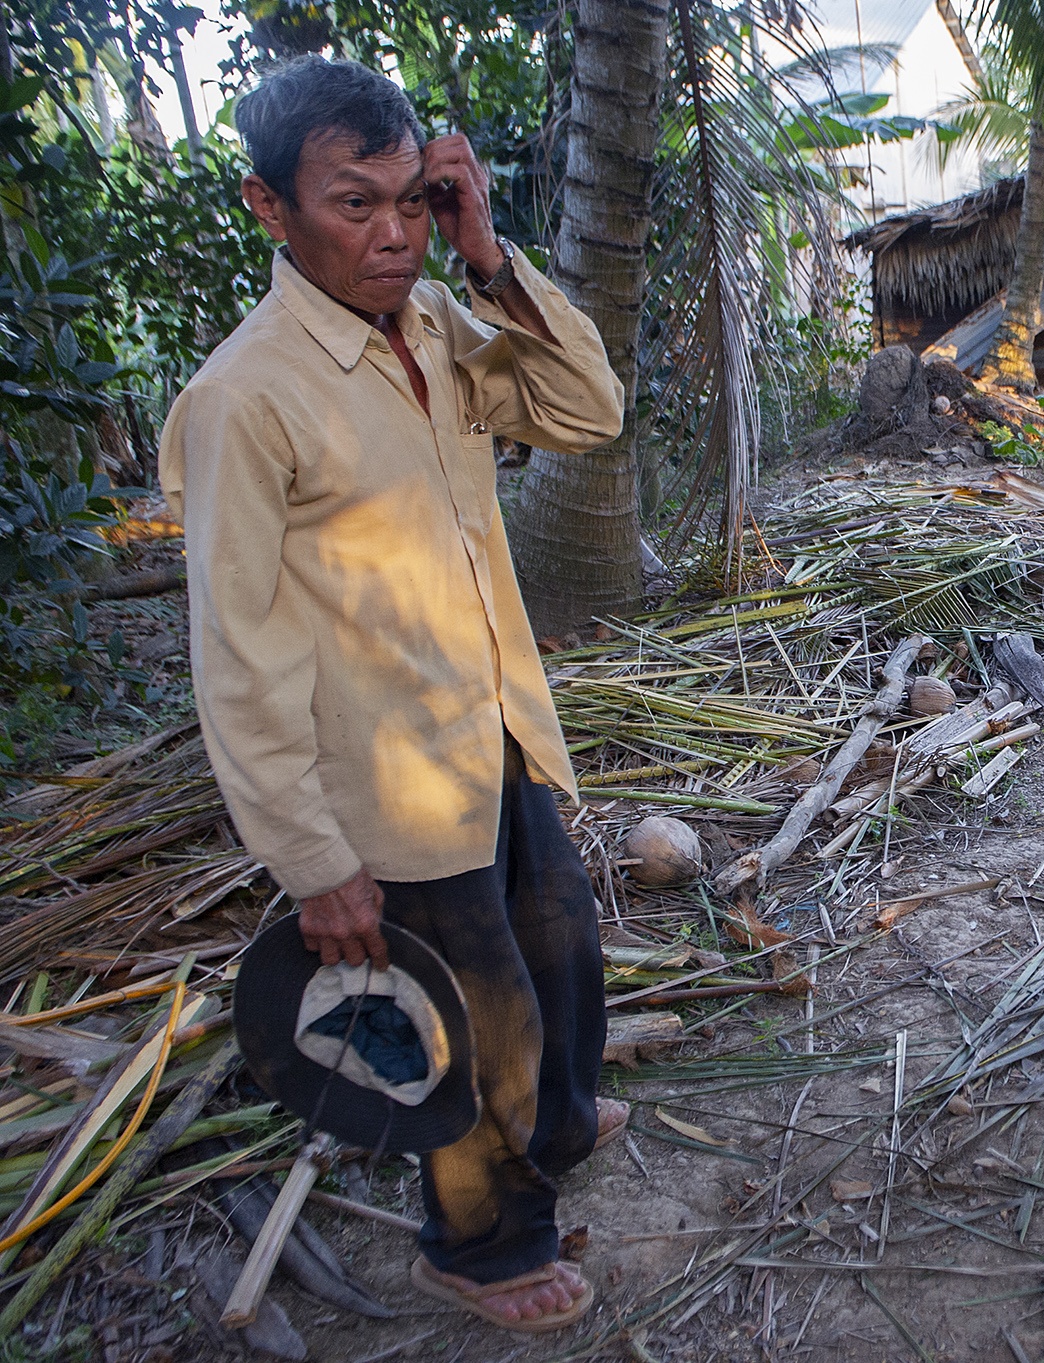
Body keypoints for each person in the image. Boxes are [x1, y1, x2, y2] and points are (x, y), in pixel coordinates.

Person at [158, 56, 627, 1332]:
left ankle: (564, 1124)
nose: (389, 235)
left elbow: (589, 410)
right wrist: (312, 861)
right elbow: (239, 653)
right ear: (270, 209)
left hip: (493, 726)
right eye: (352, 205)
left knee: (561, 954)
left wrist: (488, 260)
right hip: (385, 784)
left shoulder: (437, 326)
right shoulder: (244, 399)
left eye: (411, 201)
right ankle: (475, 1247)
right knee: (465, 1032)